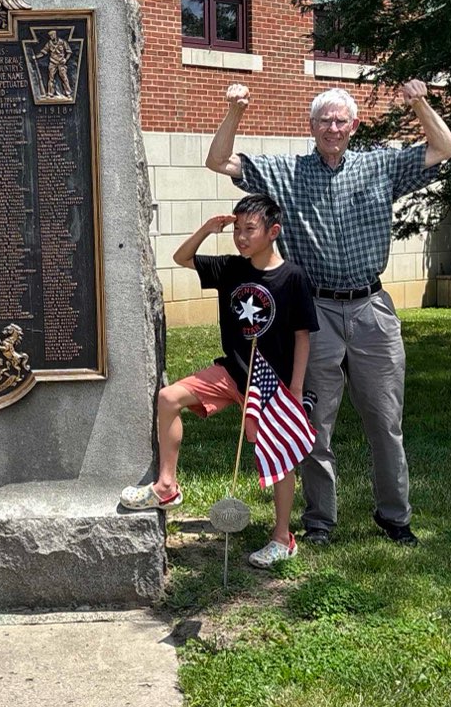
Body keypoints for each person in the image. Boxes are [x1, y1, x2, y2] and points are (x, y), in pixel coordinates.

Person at [206, 80, 451, 546]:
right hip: (314, 311)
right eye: (325, 120)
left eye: (341, 120)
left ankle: (395, 517)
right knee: (314, 425)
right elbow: (219, 161)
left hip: (371, 311)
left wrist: (420, 103)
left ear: (354, 125)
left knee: (385, 420)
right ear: (312, 126)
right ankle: (320, 520)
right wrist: (234, 111)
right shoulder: (286, 172)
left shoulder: (381, 165)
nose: (333, 128)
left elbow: (445, 147)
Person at [120, 194, 317, 567]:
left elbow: (303, 336)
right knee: (168, 397)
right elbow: (181, 258)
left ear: (273, 231)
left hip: (271, 384)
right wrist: (207, 230)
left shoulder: (293, 277)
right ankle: (165, 486)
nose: (241, 237)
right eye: (237, 229)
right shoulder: (230, 268)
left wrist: (295, 389)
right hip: (231, 372)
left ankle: (281, 537)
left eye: (250, 229)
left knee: (276, 455)